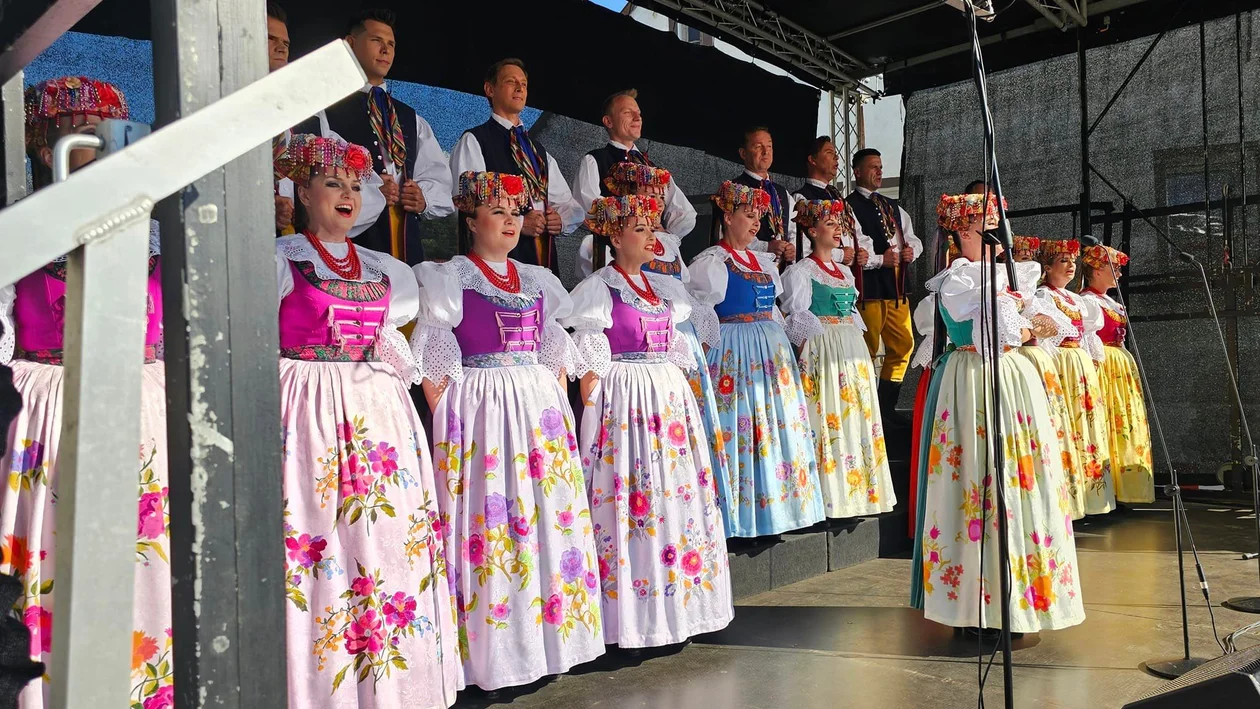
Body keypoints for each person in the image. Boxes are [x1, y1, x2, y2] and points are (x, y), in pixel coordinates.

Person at [2, 77, 173, 708]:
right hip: (51, 404)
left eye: (106, 135)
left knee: (140, 548)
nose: (96, 149)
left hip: (139, 404)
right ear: (48, 144)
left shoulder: (150, 239)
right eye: (81, 135)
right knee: (57, 547)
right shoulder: (19, 234)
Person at [272, 134, 460, 707]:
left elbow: (393, 340)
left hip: (377, 414)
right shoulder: (279, 259)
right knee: (318, 534)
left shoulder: (387, 269)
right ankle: (321, 680)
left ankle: (394, 679)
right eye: (333, 184)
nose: (348, 195)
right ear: (303, 193)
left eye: (355, 186)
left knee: (382, 538)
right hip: (306, 410)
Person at [411, 171, 603, 689]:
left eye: (516, 212)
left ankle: (543, 641)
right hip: (483, 413)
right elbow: (432, 360)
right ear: (470, 220)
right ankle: (492, 652)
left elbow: (554, 352)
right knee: (492, 524)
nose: (511, 221)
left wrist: (550, 405)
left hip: (534, 414)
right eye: (497, 212)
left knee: (540, 521)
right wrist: (453, 416)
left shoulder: (539, 279)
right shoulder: (448, 278)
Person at [563, 193, 733, 649]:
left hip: (667, 413)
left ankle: (677, 606)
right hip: (629, 412)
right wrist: (597, 430)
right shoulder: (601, 289)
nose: (651, 237)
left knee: (671, 500)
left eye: (653, 229)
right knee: (636, 501)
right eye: (640, 230)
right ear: (615, 237)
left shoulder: (664, 292)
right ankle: (633, 614)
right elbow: (591, 374)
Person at [910, 192, 1084, 634]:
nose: (993, 234)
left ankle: (1019, 600)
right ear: (963, 232)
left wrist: (1028, 327)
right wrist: (1027, 327)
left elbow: (1046, 326)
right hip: (972, 381)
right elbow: (1005, 330)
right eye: (980, 227)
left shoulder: (1013, 276)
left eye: (993, 225)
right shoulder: (960, 279)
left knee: (1019, 479)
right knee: (976, 479)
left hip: (1010, 379)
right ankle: (975, 605)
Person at [689, 181, 822, 538]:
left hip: (769, 352)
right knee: (742, 427)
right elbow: (703, 315)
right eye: (748, 216)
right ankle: (742, 515)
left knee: (772, 426)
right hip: (734, 352)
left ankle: (776, 510)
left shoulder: (762, 261)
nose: (755, 224)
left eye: (758, 217)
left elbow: (774, 310)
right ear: (728, 217)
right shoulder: (712, 262)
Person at [582, 163, 728, 484]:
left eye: (659, 195)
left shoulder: (670, 244)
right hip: (630, 339)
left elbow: (685, 291)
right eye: (647, 192)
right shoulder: (610, 251)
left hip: (672, 337)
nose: (656, 200)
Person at [297, 8, 453, 264]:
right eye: (376, 41)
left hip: (407, 247)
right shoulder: (327, 111)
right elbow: (319, 183)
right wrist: (374, 192)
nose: (385, 50)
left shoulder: (411, 118)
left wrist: (422, 197)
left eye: (390, 44)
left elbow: (438, 177)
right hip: (353, 245)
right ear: (350, 43)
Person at [780, 200, 896, 519]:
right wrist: (806, 358)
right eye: (830, 225)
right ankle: (828, 497)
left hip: (850, 346)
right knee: (829, 415)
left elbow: (853, 316)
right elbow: (797, 317)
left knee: (854, 414)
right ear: (813, 230)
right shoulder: (801, 272)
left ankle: (858, 494)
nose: (838, 230)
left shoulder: (844, 272)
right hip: (824, 347)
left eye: (839, 225)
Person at [449, 59, 584, 275]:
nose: (520, 88)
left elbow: (568, 204)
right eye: (511, 81)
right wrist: (519, 222)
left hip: (543, 260)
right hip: (496, 261)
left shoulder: (538, 151)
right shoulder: (475, 140)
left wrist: (560, 220)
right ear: (490, 89)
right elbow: (469, 204)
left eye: (524, 84)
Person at [1035, 239, 1115, 517]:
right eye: (1063, 262)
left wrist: (1093, 361)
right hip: (1062, 366)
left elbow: (1090, 335)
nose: (1071, 267)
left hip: (1078, 365)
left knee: (1086, 428)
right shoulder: (1044, 297)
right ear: (1046, 268)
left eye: (1072, 262)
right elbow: (1045, 341)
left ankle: (1091, 497)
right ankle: (1068, 500)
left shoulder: (1077, 300)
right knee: (1066, 428)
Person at [845, 148, 922, 427]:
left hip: (897, 288)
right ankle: (864, 409)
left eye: (880, 166)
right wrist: (880, 260)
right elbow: (854, 246)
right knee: (866, 347)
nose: (878, 171)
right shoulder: (848, 206)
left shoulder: (893, 206)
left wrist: (913, 250)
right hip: (869, 288)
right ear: (857, 172)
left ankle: (886, 406)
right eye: (873, 167)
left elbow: (911, 237)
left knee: (903, 345)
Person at [1009, 236, 1078, 519]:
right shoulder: (1021, 293)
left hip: (1038, 357)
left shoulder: (1031, 296)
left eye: (1029, 256)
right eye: (1020, 256)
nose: (1026, 261)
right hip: (1023, 358)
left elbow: (1053, 326)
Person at [1080, 244, 1154, 504]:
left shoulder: (1108, 301)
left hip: (1120, 364)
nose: (1119, 274)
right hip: (1103, 364)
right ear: (1097, 270)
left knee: (1124, 419)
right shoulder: (1087, 301)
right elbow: (1086, 339)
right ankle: (1108, 489)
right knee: (1109, 420)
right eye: (1114, 268)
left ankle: (1127, 488)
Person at [572, 89, 696, 239]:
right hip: (612, 252)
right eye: (627, 113)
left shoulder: (653, 168)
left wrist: (666, 237)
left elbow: (685, 213)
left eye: (639, 113)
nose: (638, 118)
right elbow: (585, 208)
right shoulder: (595, 160)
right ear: (608, 121)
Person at [713, 127, 796, 266]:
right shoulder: (733, 189)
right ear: (743, 153)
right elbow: (726, 233)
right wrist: (766, 247)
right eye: (758, 146)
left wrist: (792, 248)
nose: (766, 151)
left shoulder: (781, 192)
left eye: (769, 146)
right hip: (745, 266)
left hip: (782, 272)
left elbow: (793, 228)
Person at [790, 137, 870, 267]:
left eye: (836, 153)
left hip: (846, 273)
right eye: (829, 152)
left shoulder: (837, 197)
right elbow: (801, 247)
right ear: (812, 160)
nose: (836, 157)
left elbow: (856, 231)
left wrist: (864, 252)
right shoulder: (802, 198)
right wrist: (840, 255)